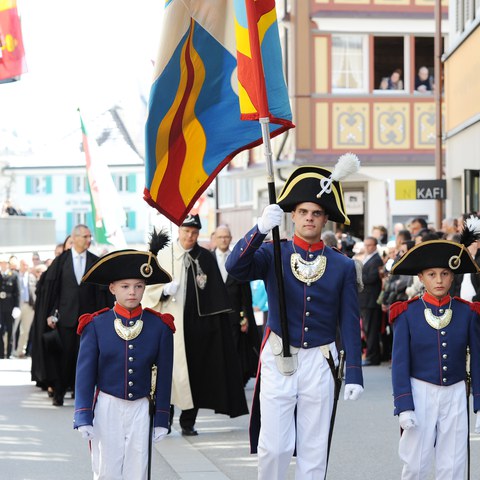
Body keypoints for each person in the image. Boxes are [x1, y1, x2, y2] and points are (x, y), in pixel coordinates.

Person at [226, 160, 364, 479]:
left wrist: (354, 371)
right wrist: (259, 230)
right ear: (293, 215)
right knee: (274, 447)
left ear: (324, 218)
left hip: (320, 359)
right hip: (279, 356)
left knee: (314, 450)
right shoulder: (274, 253)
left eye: (316, 213)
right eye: (303, 212)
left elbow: (349, 322)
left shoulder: (342, 266)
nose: (309, 218)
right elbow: (235, 268)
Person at [73, 231, 174, 480]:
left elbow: (164, 376)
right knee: (106, 468)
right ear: (112, 288)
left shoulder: (160, 327)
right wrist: (83, 413)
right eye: (125, 286)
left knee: (137, 469)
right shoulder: (96, 325)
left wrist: (162, 417)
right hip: (107, 405)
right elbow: (85, 374)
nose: (132, 292)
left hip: (141, 406)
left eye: (139, 286)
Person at [389, 217, 480, 479]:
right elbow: (400, 363)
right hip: (420, 391)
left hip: (455, 392)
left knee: (453, 465)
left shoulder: (468, 313)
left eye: (445, 273)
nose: (439, 280)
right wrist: (403, 404)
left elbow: (477, 359)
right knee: (416, 463)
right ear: (421, 277)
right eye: (432, 274)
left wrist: (478, 403)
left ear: (452, 276)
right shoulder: (406, 313)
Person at [142, 214, 248, 436]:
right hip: (169, 326)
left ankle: (188, 422)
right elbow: (147, 290)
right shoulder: (164, 255)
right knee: (168, 375)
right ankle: (165, 419)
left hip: (198, 327)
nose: (190, 236)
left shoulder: (205, 258)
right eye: (186, 231)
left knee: (196, 375)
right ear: (179, 231)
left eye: (194, 232)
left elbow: (215, 293)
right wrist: (162, 290)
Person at [30, 224, 113, 406]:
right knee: (64, 357)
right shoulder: (61, 262)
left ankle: (80, 394)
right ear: (74, 238)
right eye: (85, 236)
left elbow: (102, 292)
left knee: (85, 358)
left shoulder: (94, 261)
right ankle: (59, 393)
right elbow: (53, 291)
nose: (88, 240)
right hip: (65, 319)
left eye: (89, 236)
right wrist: (51, 314)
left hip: (89, 320)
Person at [213, 225, 260, 385]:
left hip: (235, 314)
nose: (223, 240)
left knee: (235, 349)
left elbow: (245, 293)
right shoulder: (208, 259)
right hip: (214, 314)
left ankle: (236, 380)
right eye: (220, 237)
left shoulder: (237, 258)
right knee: (217, 349)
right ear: (215, 239)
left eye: (226, 236)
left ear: (231, 238)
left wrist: (245, 316)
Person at [359, 236, 384, 366]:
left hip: (371, 301)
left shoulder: (376, 259)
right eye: (366, 245)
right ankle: (370, 355)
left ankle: (373, 356)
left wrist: (358, 275)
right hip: (365, 300)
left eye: (370, 245)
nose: (367, 247)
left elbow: (371, 278)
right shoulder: (368, 258)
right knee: (367, 329)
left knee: (371, 330)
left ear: (375, 246)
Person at [13, 258, 37, 357]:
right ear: (20, 265)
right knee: (13, 329)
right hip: (17, 306)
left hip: (29, 306)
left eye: (27, 265)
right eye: (24, 264)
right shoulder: (15, 276)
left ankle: (20, 351)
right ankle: (10, 350)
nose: (25, 267)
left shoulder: (31, 277)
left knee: (25, 330)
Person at [0, 254, 21, 358]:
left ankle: (9, 352)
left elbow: (17, 292)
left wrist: (17, 307)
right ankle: (1, 352)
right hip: (0, 307)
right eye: (1, 263)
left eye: (4, 263)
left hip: (10, 306)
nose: (2, 265)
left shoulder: (13, 275)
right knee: (0, 330)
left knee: (10, 330)